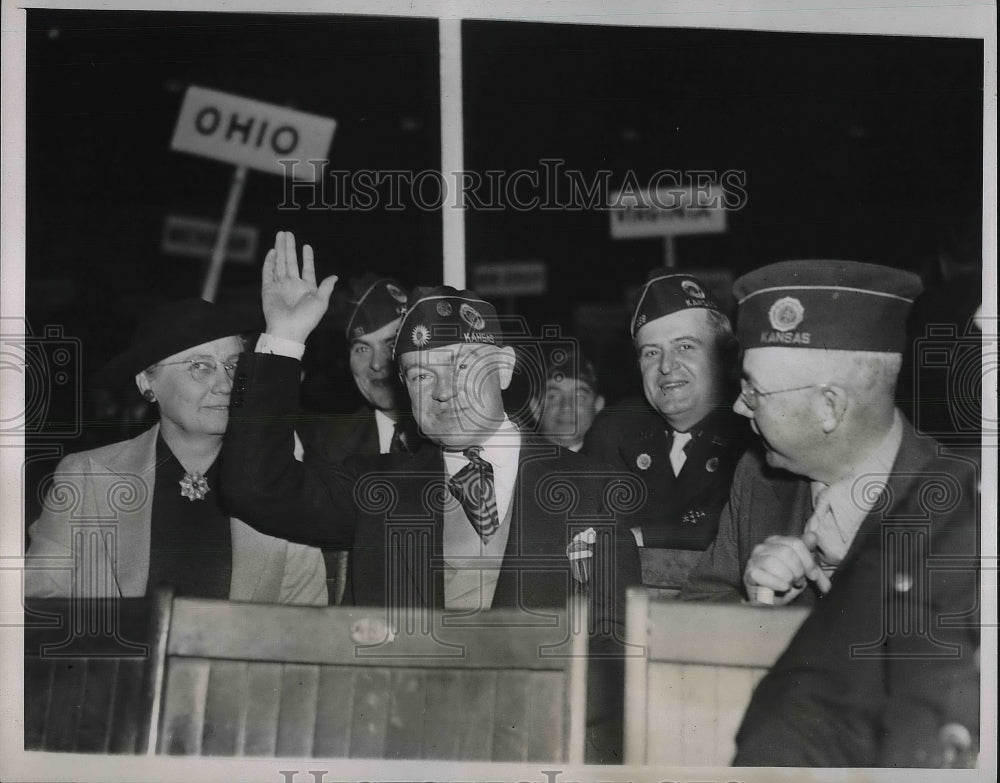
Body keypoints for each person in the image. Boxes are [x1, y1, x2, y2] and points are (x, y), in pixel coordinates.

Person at [221, 232, 641, 761]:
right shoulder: (381, 489)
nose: (443, 392)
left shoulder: (592, 492)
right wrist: (283, 339)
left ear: (506, 367)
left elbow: (616, 650)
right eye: (421, 374)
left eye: (463, 367)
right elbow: (254, 486)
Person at [681, 260, 979, 766]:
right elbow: (684, 629)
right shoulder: (759, 482)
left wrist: (834, 589)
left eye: (753, 390)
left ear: (830, 407)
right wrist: (761, 610)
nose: (737, 407)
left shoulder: (959, 505)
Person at [24, 298, 327, 605]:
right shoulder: (88, 477)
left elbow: (305, 623)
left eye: (234, 366)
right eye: (200, 366)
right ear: (147, 382)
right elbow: (41, 606)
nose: (225, 385)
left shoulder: (281, 477)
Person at [582, 272, 751, 589]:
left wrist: (642, 535)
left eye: (685, 346)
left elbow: (745, 537)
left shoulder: (751, 434)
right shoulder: (614, 432)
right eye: (651, 352)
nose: (666, 366)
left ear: (726, 355)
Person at [296, 274, 421, 603]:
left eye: (392, 345)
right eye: (362, 348)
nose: (378, 364)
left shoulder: (453, 444)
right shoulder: (322, 447)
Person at [535, 347, 604, 452]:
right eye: (553, 396)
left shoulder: (615, 464)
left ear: (598, 405)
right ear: (535, 407)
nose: (566, 406)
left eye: (579, 396)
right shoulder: (510, 462)